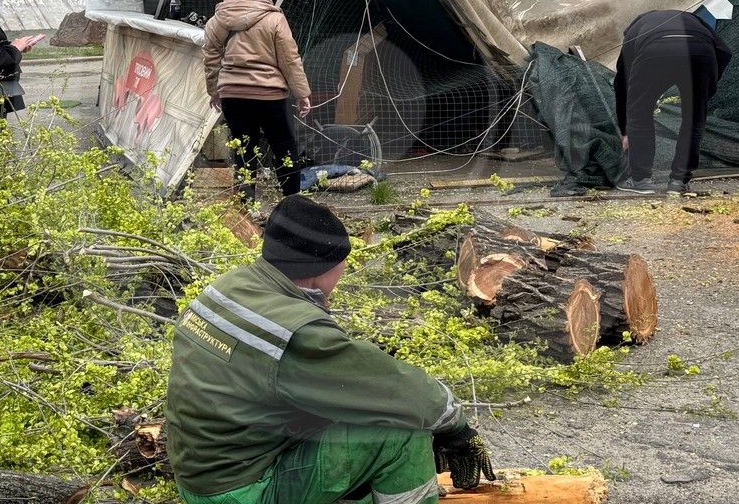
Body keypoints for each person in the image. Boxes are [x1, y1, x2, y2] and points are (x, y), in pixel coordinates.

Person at [165, 194, 494, 504]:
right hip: (240, 492)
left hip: (202, 476)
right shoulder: (297, 332)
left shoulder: (227, 288)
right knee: (403, 433)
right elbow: (390, 389)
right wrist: (456, 426)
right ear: (318, 272)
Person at [203, 0, 311, 200]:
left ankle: (246, 203)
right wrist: (302, 93)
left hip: (232, 94)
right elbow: (289, 59)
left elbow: (211, 59)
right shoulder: (274, 18)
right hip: (270, 95)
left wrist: (215, 92)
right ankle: (292, 201)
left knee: (243, 147)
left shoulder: (218, 20)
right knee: (284, 146)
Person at [613, 9, 732, 196]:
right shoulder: (694, 19)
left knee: (640, 112)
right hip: (701, 53)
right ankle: (678, 181)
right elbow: (725, 52)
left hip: (655, 51)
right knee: (693, 118)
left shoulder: (634, 31)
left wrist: (625, 130)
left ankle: (640, 180)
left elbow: (622, 85)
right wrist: (706, 90)